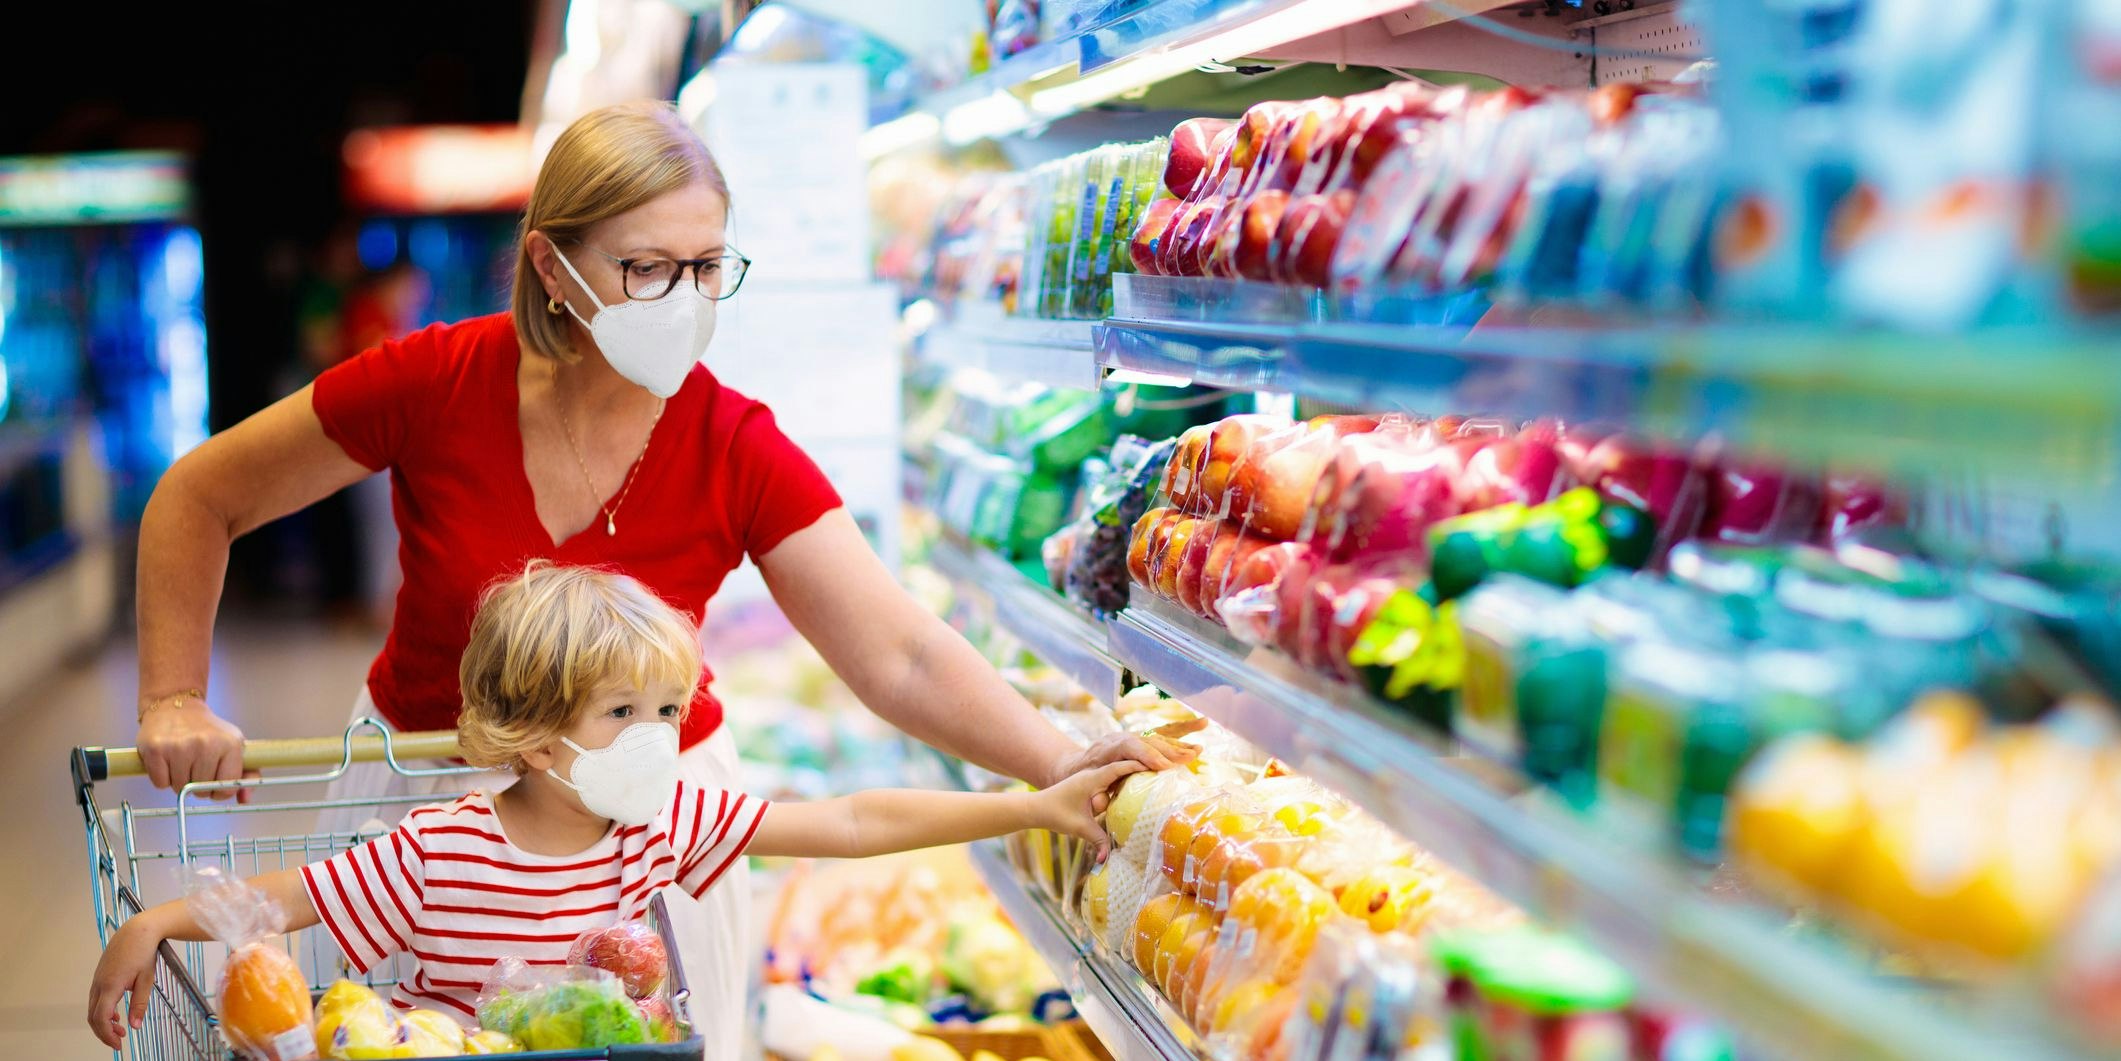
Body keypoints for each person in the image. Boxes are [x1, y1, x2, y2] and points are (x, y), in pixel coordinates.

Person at [128, 99, 1190, 1055]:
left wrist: (1061, 760)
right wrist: (174, 692)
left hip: (647, 822)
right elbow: (199, 496)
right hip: (423, 807)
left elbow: (897, 650)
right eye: (647, 268)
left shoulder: (730, 439)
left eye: (706, 266)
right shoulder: (435, 380)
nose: (685, 299)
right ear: (552, 266)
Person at [90, 563, 1144, 1046]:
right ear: (539, 739)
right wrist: (153, 919)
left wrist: (1034, 805)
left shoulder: (663, 819)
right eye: (625, 712)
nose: (662, 735)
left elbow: (855, 821)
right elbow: (287, 898)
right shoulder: (437, 850)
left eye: (671, 707)